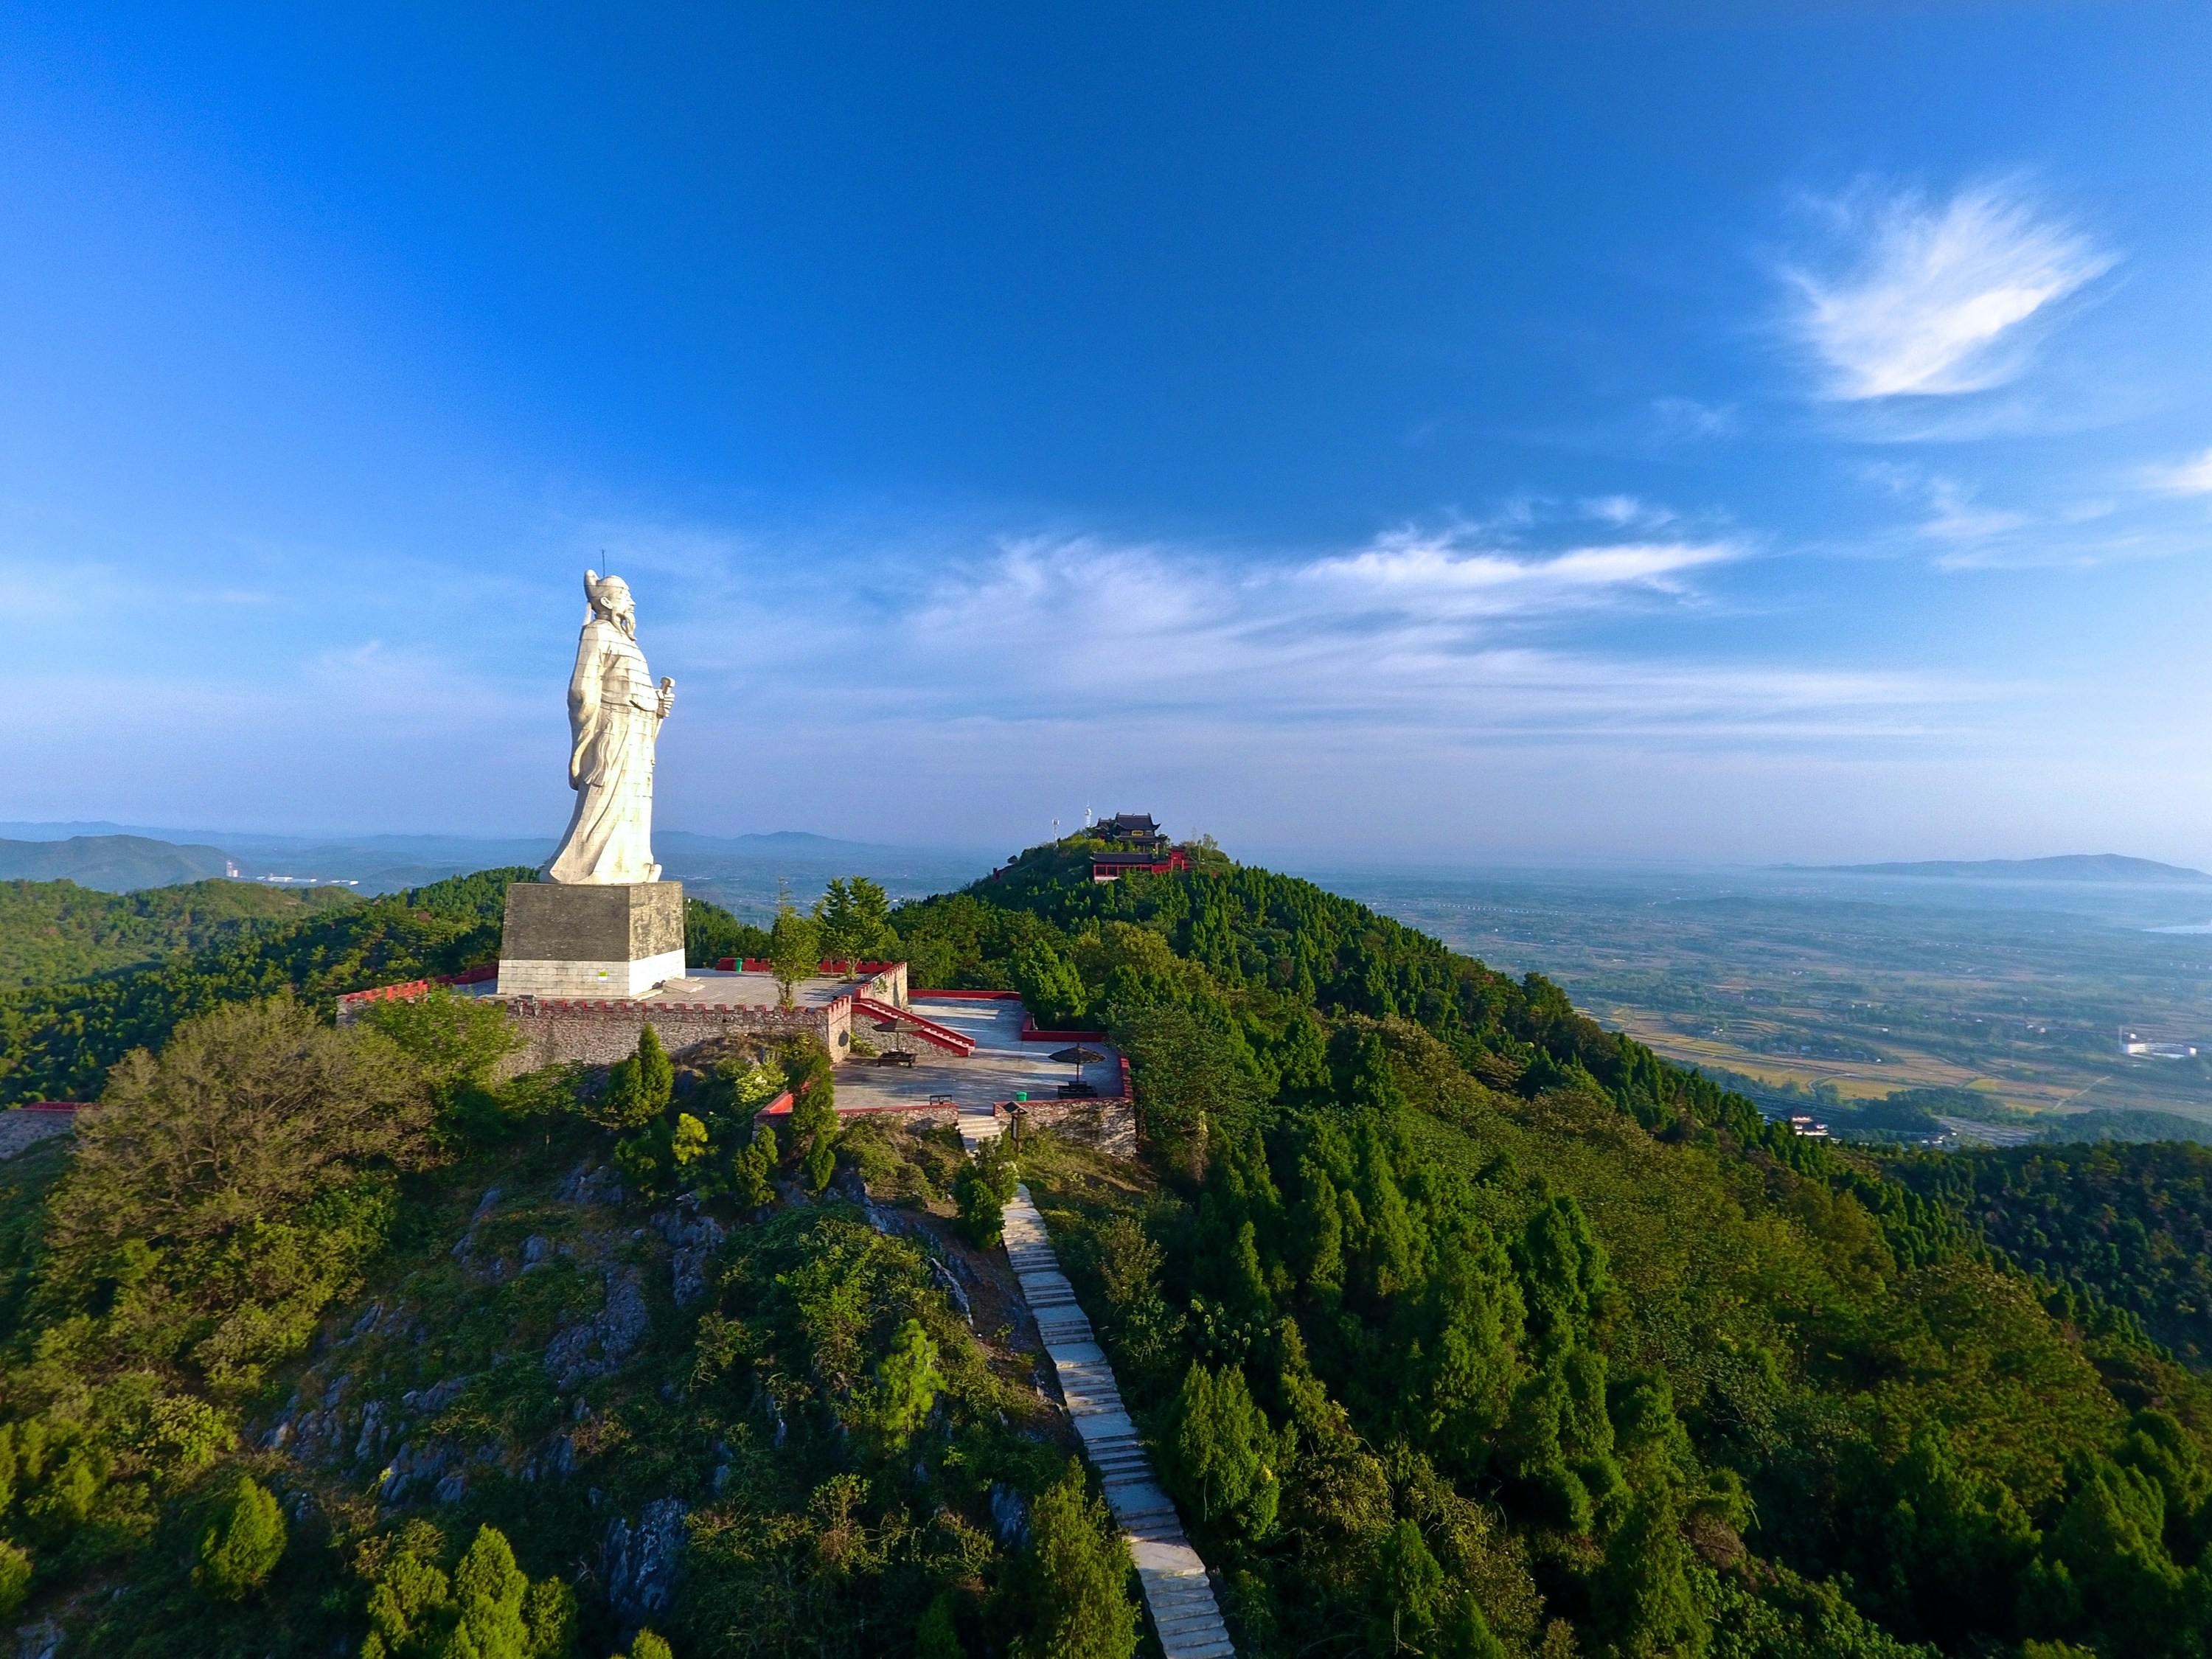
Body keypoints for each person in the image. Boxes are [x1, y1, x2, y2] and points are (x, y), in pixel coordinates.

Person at [542, 569, 675, 884]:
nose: (632, 601)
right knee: (605, 798)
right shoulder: (597, 632)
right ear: (605, 601)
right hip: (613, 729)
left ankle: (627, 863)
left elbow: (634, 690)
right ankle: (583, 868)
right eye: (625, 595)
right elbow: (581, 691)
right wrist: (583, 740)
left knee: (634, 802)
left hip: (638, 732)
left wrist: (658, 705)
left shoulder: (626, 641)